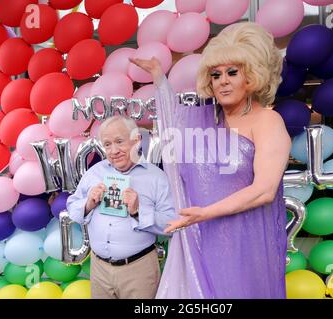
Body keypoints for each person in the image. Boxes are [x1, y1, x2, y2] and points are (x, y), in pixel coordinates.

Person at [130, 22, 291, 298]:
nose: (223, 81)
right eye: (216, 75)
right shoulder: (205, 120)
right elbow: (172, 123)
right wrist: (159, 77)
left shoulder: (268, 121)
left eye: (232, 72)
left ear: (252, 75)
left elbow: (265, 190)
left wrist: (206, 212)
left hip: (246, 240)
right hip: (203, 236)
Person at [66, 116, 177, 299]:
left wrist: (138, 211)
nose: (114, 151)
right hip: (99, 269)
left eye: (119, 141)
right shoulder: (95, 172)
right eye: (107, 144)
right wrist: (88, 204)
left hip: (139, 270)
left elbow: (172, 224)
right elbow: (72, 206)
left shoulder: (157, 177)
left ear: (137, 140)